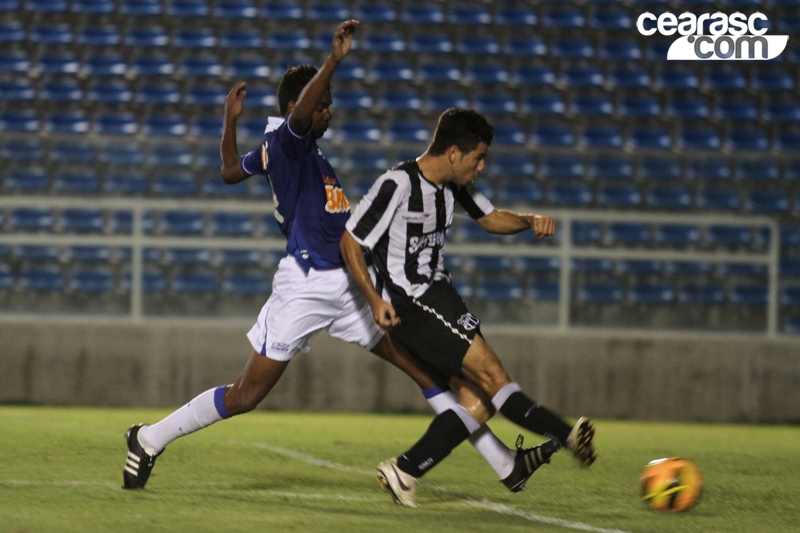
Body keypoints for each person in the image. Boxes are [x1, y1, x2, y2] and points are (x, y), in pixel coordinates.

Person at [123, 21, 554, 493]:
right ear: (297, 107)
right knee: (246, 394)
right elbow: (300, 117)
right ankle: (147, 438)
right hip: (306, 283)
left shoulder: (284, 149)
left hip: (350, 283)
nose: (328, 113)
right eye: (322, 105)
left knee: (427, 372)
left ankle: (506, 465)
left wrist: (229, 121)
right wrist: (334, 61)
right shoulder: (290, 139)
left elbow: (229, 170)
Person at [341, 107, 597, 508]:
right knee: (494, 375)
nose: (481, 168)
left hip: (439, 298)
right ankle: (565, 434)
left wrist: (529, 221)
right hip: (414, 302)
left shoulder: (452, 185)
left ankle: (405, 469)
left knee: (477, 403)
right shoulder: (398, 184)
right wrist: (374, 300)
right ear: (455, 152)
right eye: (479, 158)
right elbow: (350, 241)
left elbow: (492, 218)